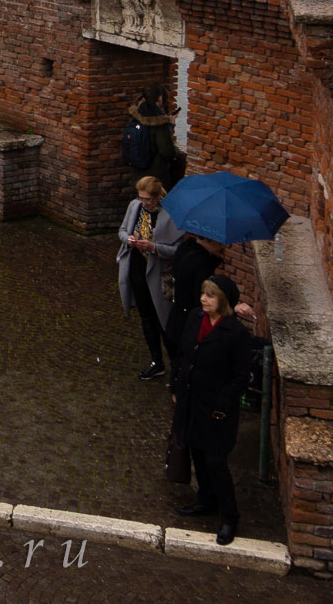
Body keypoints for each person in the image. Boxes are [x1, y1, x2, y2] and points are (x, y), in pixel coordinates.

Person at [171, 274, 257, 546]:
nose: (203, 299)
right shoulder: (196, 317)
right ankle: (206, 501)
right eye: (203, 294)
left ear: (223, 301)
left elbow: (241, 377)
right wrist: (176, 386)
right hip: (191, 401)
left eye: (210, 296)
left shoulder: (236, 334)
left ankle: (229, 517)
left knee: (216, 463)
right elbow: (183, 354)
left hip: (217, 409)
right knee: (196, 451)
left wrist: (223, 403)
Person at [116, 175, 183, 380]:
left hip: (158, 273)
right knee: (146, 317)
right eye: (141, 198)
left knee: (164, 318)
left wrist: (154, 247)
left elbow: (178, 250)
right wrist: (128, 239)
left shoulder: (170, 214)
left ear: (157, 197)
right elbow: (122, 230)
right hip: (137, 269)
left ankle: (177, 365)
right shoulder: (134, 207)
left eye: (148, 199)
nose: (144, 203)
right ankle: (156, 361)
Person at [163, 232, 223, 372]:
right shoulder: (203, 264)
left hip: (175, 321)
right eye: (220, 243)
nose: (223, 247)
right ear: (210, 240)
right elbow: (200, 300)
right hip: (188, 326)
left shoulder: (185, 247)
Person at [129, 85, 181, 189]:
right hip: (156, 175)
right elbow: (167, 151)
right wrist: (170, 125)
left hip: (137, 171)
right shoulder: (159, 122)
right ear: (160, 98)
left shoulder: (135, 118)